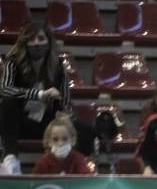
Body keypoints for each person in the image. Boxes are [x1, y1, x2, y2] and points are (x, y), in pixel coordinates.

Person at [0, 24, 93, 174]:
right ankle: (11, 158)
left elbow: (66, 103)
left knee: (87, 130)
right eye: (31, 39)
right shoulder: (12, 62)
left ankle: (77, 166)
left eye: (41, 38)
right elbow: (4, 89)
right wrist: (38, 94)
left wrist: (60, 102)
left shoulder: (58, 67)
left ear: (49, 42)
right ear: (25, 43)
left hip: (47, 124)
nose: (36, 43)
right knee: (7, 102)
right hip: (18, 123)